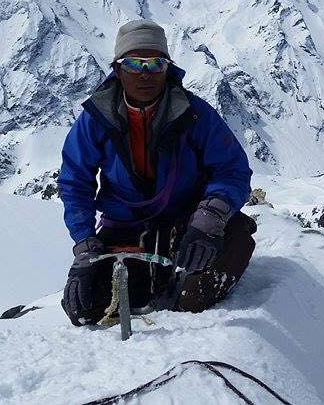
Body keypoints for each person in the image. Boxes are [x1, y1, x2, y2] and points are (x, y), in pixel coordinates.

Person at [58, 19, 256, 326]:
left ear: (167, 67)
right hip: (126, 227)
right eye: (134, 63)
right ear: (117, 68)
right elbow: (75, 182)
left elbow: (232, 170)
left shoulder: (195, 114)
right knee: (87, 308)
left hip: (192, 222)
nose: (144, 73)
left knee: (197, 295)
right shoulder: (95, 119)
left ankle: (180, 275)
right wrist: (85, 245)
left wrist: (211, 216)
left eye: (155, 64)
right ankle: (156, 277)